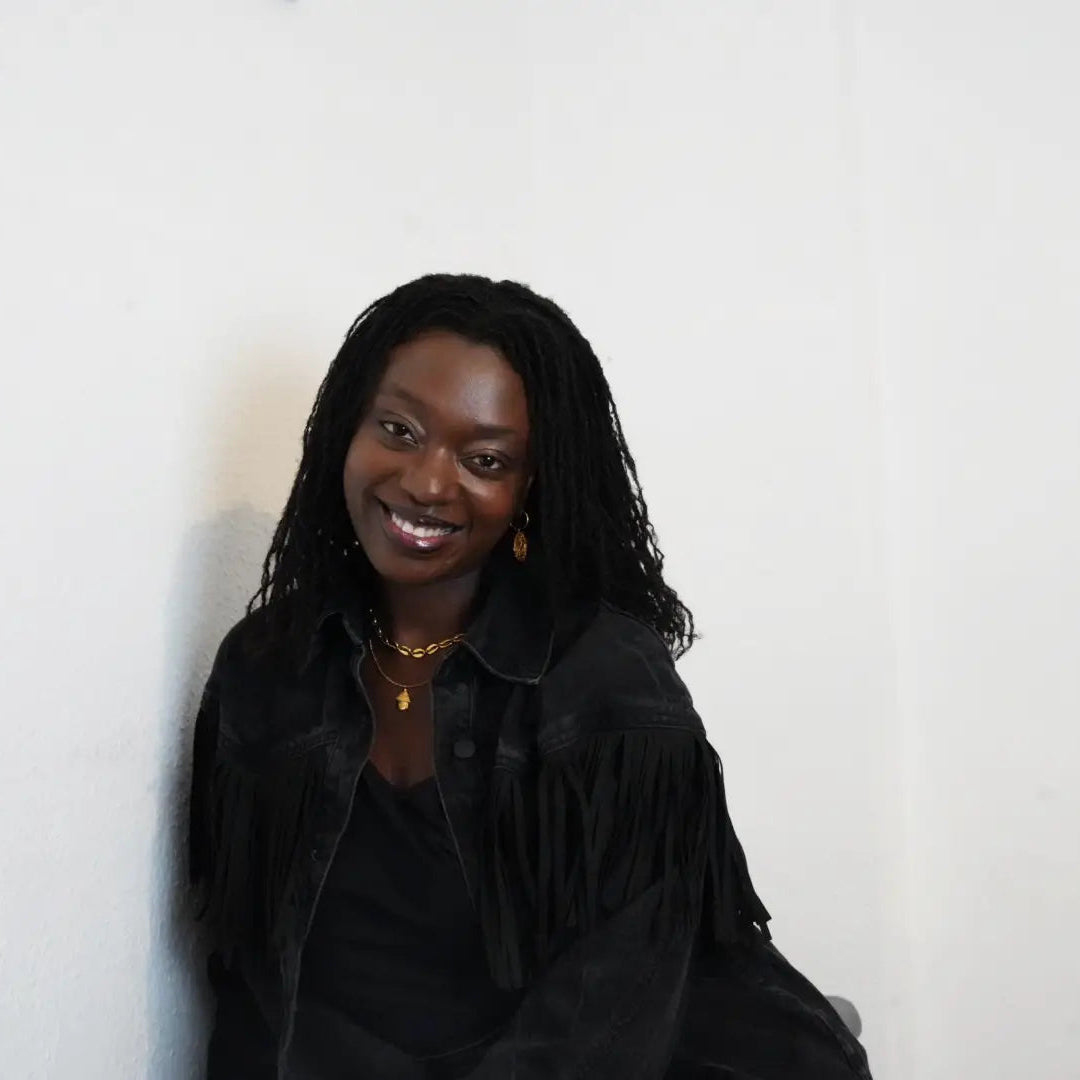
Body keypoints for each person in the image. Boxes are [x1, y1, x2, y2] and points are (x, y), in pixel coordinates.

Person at [187, 273, 873, 1079]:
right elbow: (250, 976)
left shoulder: (604, 676)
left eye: (484, 459)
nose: (427, 482)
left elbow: (613, 1005)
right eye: (399, 429)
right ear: (347, 427)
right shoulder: (269, 665)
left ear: (529, 487)